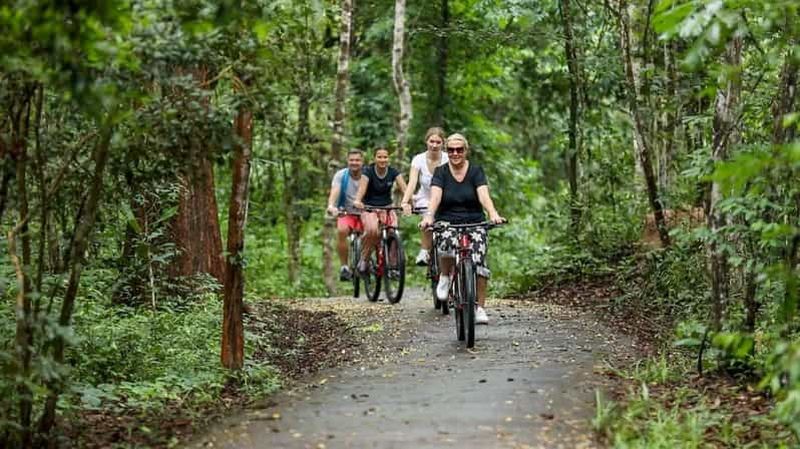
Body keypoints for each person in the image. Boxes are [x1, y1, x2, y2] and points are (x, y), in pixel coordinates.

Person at [419, 133, 505, 325]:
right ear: (446, 151)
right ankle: (445, 276)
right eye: (451, 150)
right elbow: (435, 198)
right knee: (446, 246)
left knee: (479, 264)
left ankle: (479, 307)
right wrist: (429, 216)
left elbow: (484, 196)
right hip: (448, 221)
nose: (455, 153)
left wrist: (493, 213)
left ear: (466, 150)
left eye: (459, 149)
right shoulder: (441, 172)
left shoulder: (476, 171)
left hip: (474, 222)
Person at [353, 146, 407, 272]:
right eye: (380, 157)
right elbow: (362, 189)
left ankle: (392, 263)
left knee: (393, 230)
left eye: (385, 157)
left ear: (389, 158)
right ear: (374, 158)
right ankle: (364, 258)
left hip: (387, 207)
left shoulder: (393, 172)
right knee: (373, 231)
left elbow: (405, 189)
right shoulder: (368, 171)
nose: (383, 160)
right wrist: (358, 200)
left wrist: (409, 202)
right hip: (369, 208)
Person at [401, 127, 449, 266]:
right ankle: (424, 250)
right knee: (428, 219)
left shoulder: (447, 158)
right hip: (425, 197)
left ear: (443, 143)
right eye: (431, 141)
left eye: (438, 142)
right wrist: (405, 201)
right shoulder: (418, 159)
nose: (434, 145)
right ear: (426, 142)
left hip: (445, 197)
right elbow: (412, 182)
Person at [326, 149, 365, 281]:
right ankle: (344, 267)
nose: (354, 163)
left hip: (366, 212)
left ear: (362, 162)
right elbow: (335, 192)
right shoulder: (341, 175)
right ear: (347, 161)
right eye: (352, 160)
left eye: (357, 160)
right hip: (346, 212)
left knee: (373, 232)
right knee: (342, 231)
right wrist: (331, 206)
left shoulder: (368, 175)